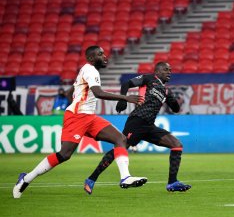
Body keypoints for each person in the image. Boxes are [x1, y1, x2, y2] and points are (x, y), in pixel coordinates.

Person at [13, 46, 147, 199]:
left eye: (103, 53)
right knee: (64, 155)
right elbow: (98, 93)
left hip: (89, 117)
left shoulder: (87, 70)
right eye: (100, 54)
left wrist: (78, 103)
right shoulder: (90, 70)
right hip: (77, 117)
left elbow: (71, 92)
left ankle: (125, 177)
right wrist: (125, 98)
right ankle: (26, 178)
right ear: (91, 58)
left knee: (121, 139)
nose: (104, 56)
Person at [83, 61, 191, 194]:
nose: (169, 72)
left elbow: (175, 109)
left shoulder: (166, 90)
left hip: (149, 126)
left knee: (177, 144)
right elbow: (126, 84)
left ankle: (172, 182)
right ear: (157, 71)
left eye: (170, 70)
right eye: (166, 70)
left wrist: (174, 102)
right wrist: (122, 100)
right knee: (120, 148)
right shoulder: (148, 78)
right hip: (137, 121)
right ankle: (91, 179)